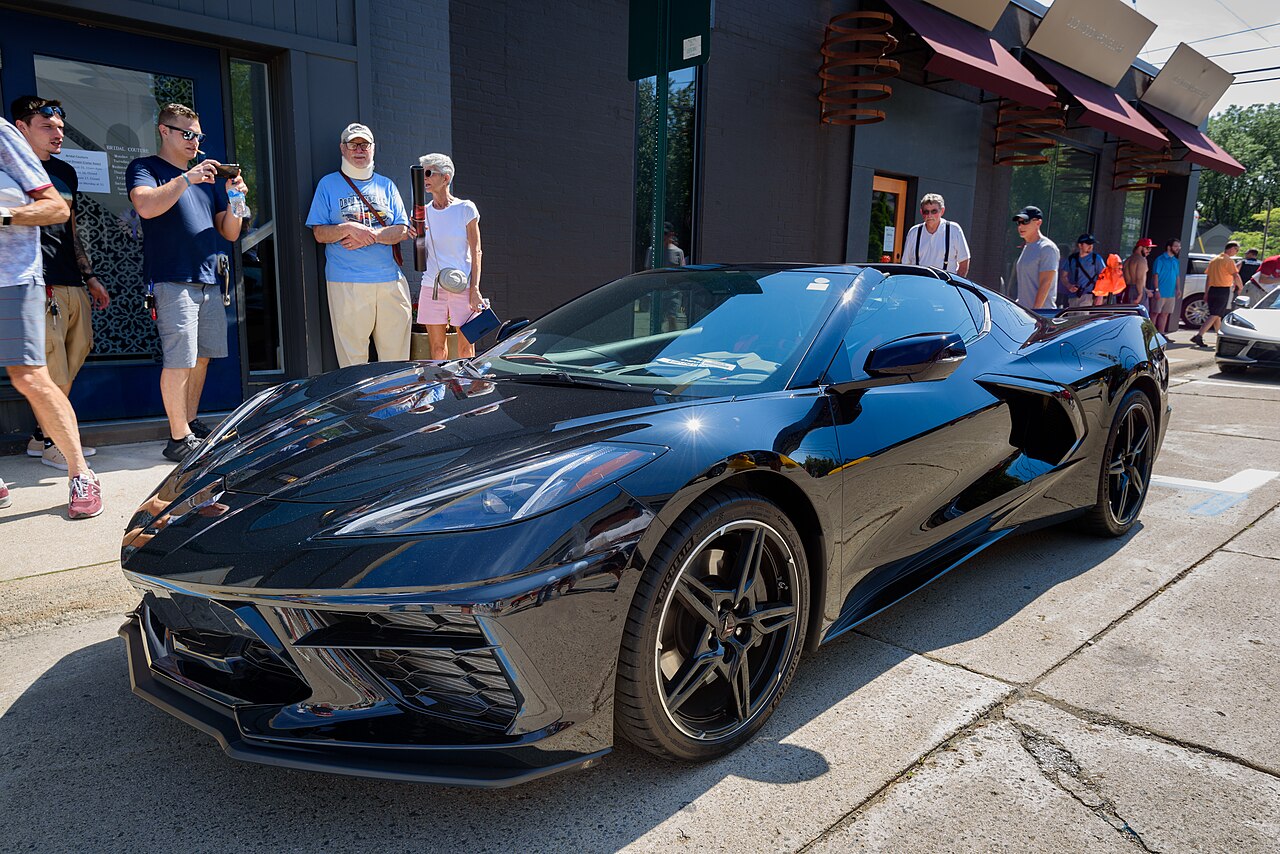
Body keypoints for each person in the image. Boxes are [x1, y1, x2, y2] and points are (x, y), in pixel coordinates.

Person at [127, 103, 250, 462]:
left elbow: (230, 231)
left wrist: (237, 198)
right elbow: (145, 206)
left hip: (209, 278)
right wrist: (186, 179)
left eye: (198, 135)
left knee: (201, 358)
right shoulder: (146, 168)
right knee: (179, 359)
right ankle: (178, 439)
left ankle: (189, 424)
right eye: (186, 134)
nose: (194, 141)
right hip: (172, 277)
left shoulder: (207, 180)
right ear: (164, 131)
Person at [0, 116, 101, 518]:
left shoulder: (3, 136)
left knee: (29, 376)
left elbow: (56, 208)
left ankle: (81, 472)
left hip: (11, 278)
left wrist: (4, 216)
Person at [306, 123, 411, 368]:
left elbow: (402, 230)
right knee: (353, 362)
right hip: (347, 281)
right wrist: (347, 229)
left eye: (365, 144)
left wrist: (369, 234)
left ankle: (393, 396)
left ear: (373, 148)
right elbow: (319, 233)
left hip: (390, 281)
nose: (359, 150)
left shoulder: (387, 185)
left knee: (396, 363)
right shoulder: (328, 185)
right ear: (343, 148)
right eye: (353, 144)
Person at [415, 152, 484, 360]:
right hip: (432, 286)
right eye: (422, 174)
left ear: (446, 178)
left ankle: (466, 382)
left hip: (461, 285)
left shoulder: (465, 208)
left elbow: (476, 251)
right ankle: (440, 382)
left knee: (466, 350)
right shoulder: (422, 213)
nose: (424, 178)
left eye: (429, 173)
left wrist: (475, 289)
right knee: (437, 350)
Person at [901, 193, 970, 275]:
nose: (929, 215)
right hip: (919, 280)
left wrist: (955, 282)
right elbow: (906, 264)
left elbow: (964, 261)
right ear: (921, 212)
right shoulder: (914, 232)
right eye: (926, 212)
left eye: (934, 211)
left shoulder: (953, 230)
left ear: (942, 211)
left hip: (944, 282)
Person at [1191, 241, 1242, 348]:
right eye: (1236, 250)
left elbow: (1208, 278)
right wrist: (1241, 288)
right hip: (1223, 290)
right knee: (1215, 314)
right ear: (1231, 248)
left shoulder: (1214, 260)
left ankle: (1220, 337)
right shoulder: (1228, 261)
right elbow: (1236, 275)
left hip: (1212, 290)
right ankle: (1199, 335)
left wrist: (1206, 292)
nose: (1236, 252)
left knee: (1217, 315)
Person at [1013, 205, 1058, 309]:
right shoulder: (1027, 247)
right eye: (1019, 223)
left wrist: (1035, 312)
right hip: (1024, 312)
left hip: (1041, 314)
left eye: (1025, 221)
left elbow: (1045, 283)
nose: (1021, 226)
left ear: (1038, 222)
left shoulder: (1047, 248)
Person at [1058, 234, 1104, 308]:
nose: (1090, 246)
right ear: (1080, 245)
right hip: (1072, 296)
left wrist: (1100, 296)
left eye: (1092, 244)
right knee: (1071, 315)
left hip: (1088, 296)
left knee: (1083, 314)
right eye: (1088, 244)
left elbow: (1103, 277)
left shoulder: (1096, 259)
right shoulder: (1072, 259)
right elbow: (1063, 276)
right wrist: (1069, 286)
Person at [1150, 238, 1182, 333]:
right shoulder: (1160, 260)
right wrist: (1156, 290)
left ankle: (1161, 334)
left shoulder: (1175, 261)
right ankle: (1151, 335)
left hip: (1171, 293)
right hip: (1160, 292)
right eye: (1176, 246)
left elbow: (1177, 276)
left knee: (1165, 314)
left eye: (1179, 246)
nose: (1178, 248)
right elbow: (1155, 275)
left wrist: (1178, 289)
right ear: (1169, 247)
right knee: (1155, 313)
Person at [1122, 238, 1155, 305]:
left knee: (1127, 311)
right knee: (1141, 311)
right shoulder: (1141, 260)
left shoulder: (1127, 260)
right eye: (1147, 248)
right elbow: (1139, 279)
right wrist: (1140, 294)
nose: (1149, 251)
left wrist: (1145, 290)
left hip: (1127, 290)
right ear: (1140, 247)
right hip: (1137, 291)